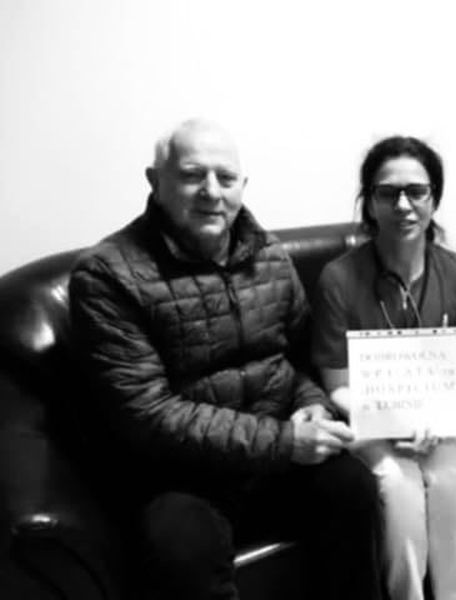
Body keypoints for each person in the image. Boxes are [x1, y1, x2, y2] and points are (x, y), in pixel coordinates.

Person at [69, 118, 383, 600]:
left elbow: (300, 357)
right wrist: (284, 441)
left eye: (226, 178)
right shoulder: (107, 275)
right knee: (179, 545)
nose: (212, 192)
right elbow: (147, 414)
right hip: (181, 474)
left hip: (279, 456)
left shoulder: (270, 255)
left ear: (243, 186)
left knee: (354, 486)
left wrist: (313, 406)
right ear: (155, 181)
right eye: (192, 175)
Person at [311, 136, 456, 600]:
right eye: (388, 193)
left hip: (442, 419)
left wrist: (437, 420)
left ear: (434, 198)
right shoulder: (338, 278)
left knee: (454, 476)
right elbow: (336, 385)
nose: (403, 205)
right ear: (370, 202)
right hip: (371, 419)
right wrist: (394, 421)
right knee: (398, 487)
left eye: (416, 192)